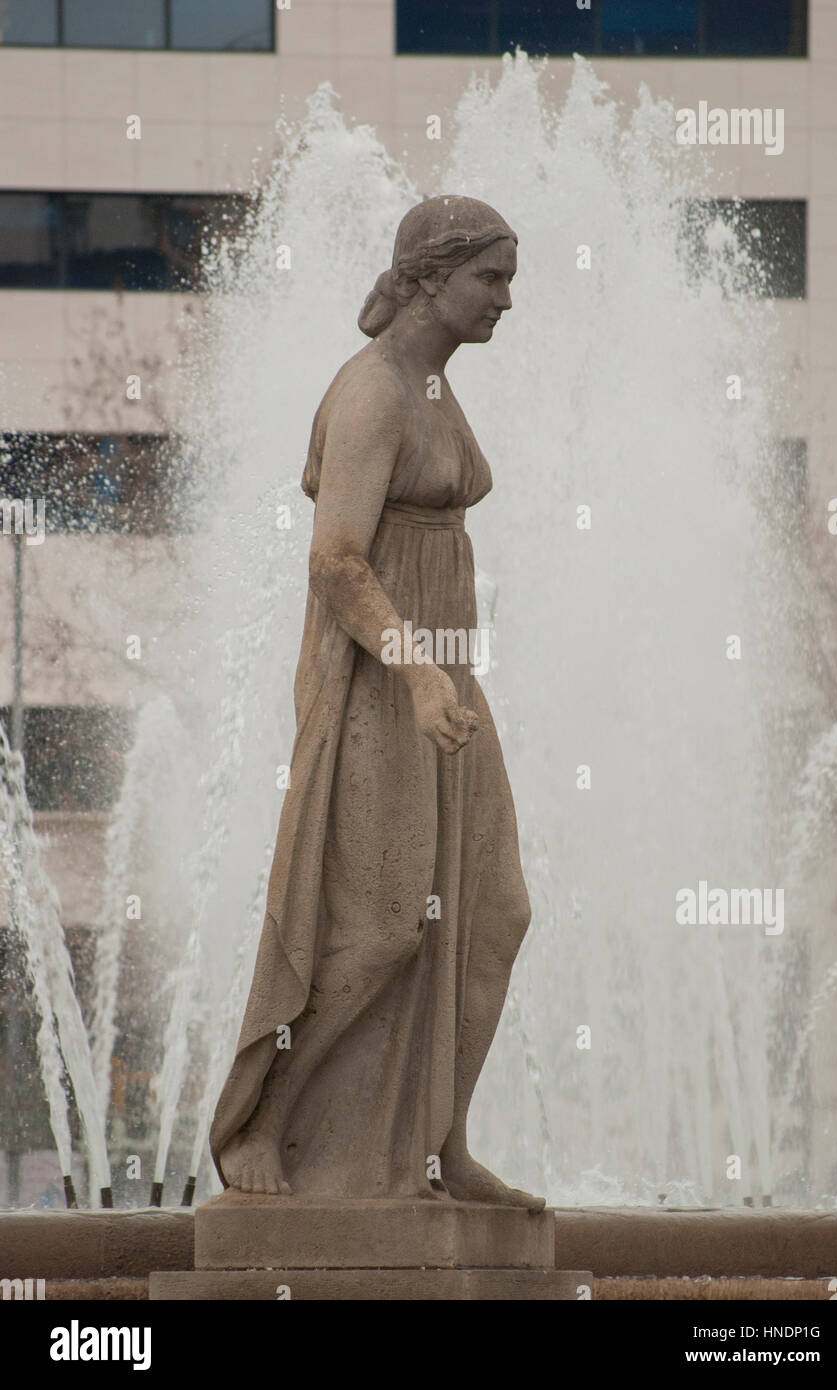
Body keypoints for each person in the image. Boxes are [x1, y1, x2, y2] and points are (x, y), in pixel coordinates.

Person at [212, 195, 543, 1210]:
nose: (506, 300)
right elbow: (337, 562)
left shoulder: (434, 387)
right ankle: (264, 1120)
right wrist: (415, 670)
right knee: (387, 924)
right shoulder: (371, 393)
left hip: (446, 687)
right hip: (381, 688)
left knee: (493, 916)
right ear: (432, 276)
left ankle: (441, 1143)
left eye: (510, 278)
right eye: (491, 277)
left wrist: (447, 673)